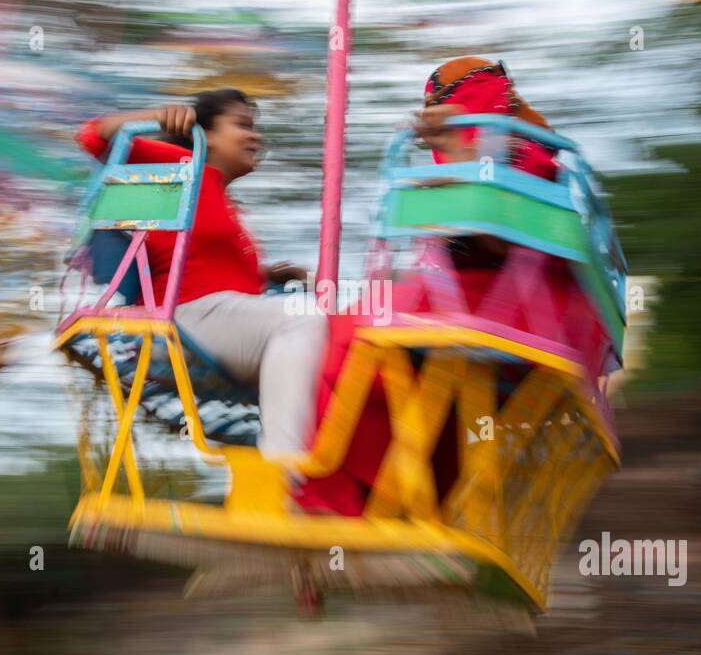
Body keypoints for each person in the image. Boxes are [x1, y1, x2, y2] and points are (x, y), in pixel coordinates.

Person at [294, 57, 615, 516]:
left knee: (344, 338)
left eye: (438, 101)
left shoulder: (524, 151)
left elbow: (497, 235)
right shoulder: (520, 147)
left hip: (521, 306)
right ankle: (393, 503)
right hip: (493, 303)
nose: (428, 113)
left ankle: (339, 498)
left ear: (469, 99)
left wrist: (462, 159)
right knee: (391, 357)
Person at [75, 90, 327, 458]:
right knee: (304, 321)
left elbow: (207, 265)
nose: (255, 137)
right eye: (242, 125)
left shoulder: (220, 198)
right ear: (204, 133)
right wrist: (161, 116)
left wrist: (265, 273)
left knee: (337, 350)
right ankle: (284, 464)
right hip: (186, 319)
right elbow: (93, 135)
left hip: (218, 319)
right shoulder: (181, 165)